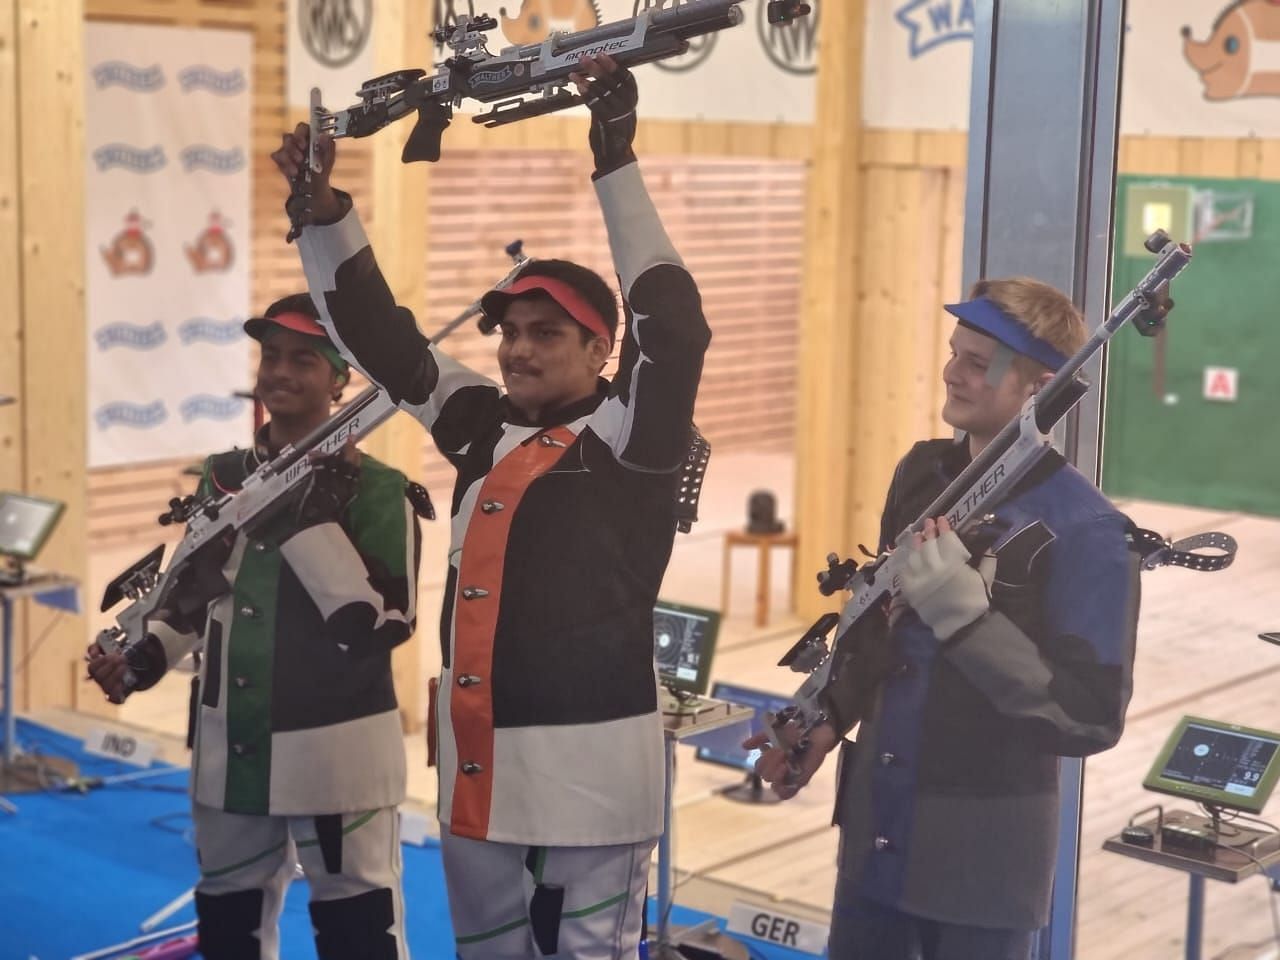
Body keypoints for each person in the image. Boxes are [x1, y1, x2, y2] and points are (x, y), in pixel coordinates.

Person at [271, 55, 709, 959]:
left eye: (546, 333)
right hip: (479, 774)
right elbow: (386, 340)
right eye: (508, 332)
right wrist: (327, 218)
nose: (517, 349)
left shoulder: (633, 438)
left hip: (591, 784)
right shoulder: (481, 424)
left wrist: (614, 161)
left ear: (602, 351)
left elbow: (679, 327)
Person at [748, 278, 1141, 960]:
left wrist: (966, 619)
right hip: (875, 834)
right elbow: (875, 625)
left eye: (977, 360)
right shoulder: (923, 473)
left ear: (1040, 387)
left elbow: (1089, 716)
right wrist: (827, 717)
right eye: (954, 351)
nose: (950, 371)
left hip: (980, 864)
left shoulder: (1090, 531)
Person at [87, 294, 423, 960]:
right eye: (271, 354)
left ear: (339, 379)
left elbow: (386, 624)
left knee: (357, 928)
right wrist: (144, 657)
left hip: (335, 753)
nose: (281, 371)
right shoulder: (226, 476)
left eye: (304, 357)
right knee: (229, 924)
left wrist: (313, 520)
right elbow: (194, 595)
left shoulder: (380, 489)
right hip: (232, 739)